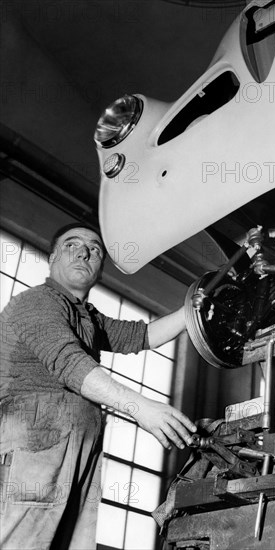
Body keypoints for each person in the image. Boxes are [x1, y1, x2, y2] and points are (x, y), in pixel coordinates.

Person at [0, 223, 197, 550]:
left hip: (76, 448)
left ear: (100, 267)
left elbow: (142, 336)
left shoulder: (85, 317)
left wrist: (193, 308)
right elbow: (69, 362)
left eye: (94, 249)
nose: (84, 252)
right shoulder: (37, 303)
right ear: (51, 259)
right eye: (71, 245)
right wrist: (141, 407)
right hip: (35, 447)